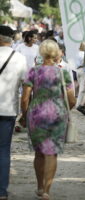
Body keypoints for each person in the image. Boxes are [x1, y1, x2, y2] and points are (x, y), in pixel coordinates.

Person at [21, 39, 76, 200]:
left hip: (36, 115)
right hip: (57, 115)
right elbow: (72, 99)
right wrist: (63, 111)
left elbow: (25, 98)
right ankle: (46, 190)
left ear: (41, 52)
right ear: (56, 52)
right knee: (52, 153)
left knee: (39, 153)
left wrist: (24, 115)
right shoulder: (63, 72)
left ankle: (39, 186)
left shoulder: (33, 71)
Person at [0, 25, 27, 200]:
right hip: (8, 109)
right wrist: (24, 112)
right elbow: (26, 87)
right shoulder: (20, 58)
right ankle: (2, 191)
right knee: (3, 150)